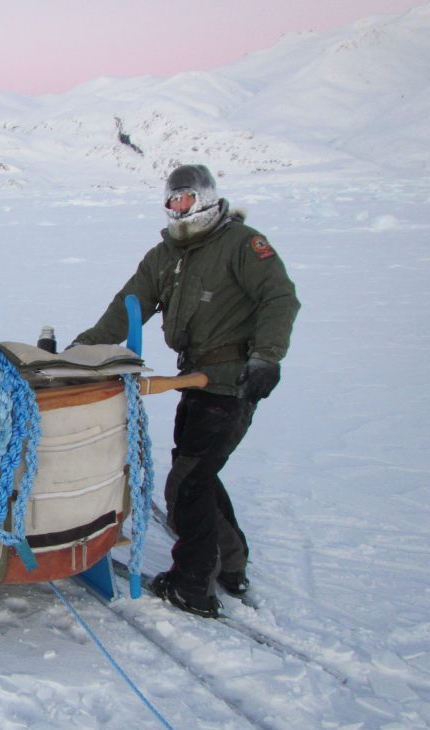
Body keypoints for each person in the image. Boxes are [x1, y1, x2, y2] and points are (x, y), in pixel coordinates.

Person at [71, 164, 300, 617]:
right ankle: (231, 566)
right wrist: (79, 353)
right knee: (197, 472)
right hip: (195, 379)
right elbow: (127, 306)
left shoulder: (240, 244)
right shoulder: (166, 254)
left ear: (207, 199)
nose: (179, 209)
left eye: (186, 200)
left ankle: (193, 584)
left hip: (233, 382)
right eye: (172, 200)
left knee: (188, 484)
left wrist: (267, 357)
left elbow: (280, 298)